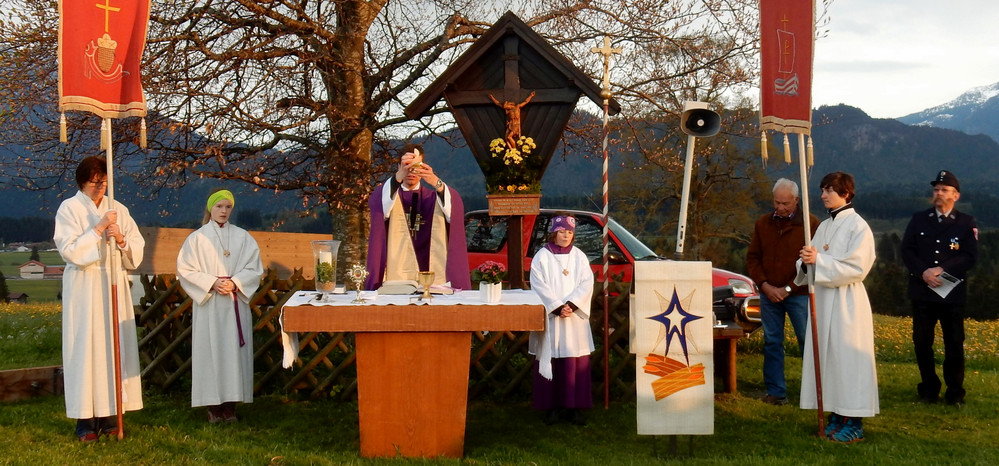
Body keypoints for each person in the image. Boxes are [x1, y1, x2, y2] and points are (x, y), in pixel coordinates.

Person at [54, 156, 145, 442]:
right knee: (85, 349)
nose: (100, 187)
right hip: (85, 285)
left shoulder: (118, 209)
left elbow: (136, 250)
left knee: (111, 347)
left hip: (112, 281)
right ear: (82, 182)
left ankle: (109, 414)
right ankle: (85, 419)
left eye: (104, 182)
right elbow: (69, 250)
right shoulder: (69, 209)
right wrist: (97, 229)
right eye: (95, 182)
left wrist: (121, 239)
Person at [795, 172, 878, 443]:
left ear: (846, 193)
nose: (823, 195)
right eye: (821, 190)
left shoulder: (858, 227)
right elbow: (811, 261)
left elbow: (857, 268)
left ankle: (853, 419)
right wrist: (806, 261)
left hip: (847, 304)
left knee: (848, 361)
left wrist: (819, 260)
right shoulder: (823, 227)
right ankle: (835, 413)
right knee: (828, 359)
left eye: (829, 190)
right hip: (823, 300)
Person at [177, 189, 263, 423]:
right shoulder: (197, 238)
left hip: (234, 302)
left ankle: (231, 405)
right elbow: (185, 270)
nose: (224, 211)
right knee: (211, 353)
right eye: (219, 207)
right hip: (211, 306)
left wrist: (235, 283)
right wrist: (212, 282)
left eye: (228, 207)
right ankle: (214, 406)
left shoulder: (243, 237)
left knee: (234, 354)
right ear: (210, 209)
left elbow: (254, 268)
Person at [900, 170, 977, 405]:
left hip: (951, 293)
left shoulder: (965, 223)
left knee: (953, 342)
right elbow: (907, 250)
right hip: (923, 291)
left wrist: (941, 269)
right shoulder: (919, 219)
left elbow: (969, 256)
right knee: (922, 342)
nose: (938, 194)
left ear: (956, 196)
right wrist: (923, 271)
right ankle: (929, 388)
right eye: (936, 189)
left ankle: (955, 392)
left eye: (944, 190)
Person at [746, 178, 819, 406]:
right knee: (772, 341)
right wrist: (765, 286)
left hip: (799, 295)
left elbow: (812, 265)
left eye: (785, 203)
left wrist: (788, 289)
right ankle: (776, 392)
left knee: (807, 341)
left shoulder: (811, 225)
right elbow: (753, 258)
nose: (780, 207)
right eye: (777, 202)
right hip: (769, 295)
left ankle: (815, 392)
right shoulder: (762, 224)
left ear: (796, 201)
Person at [365, 144, 470, 290]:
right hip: (395, 274)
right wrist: (397, 178)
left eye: (416, 167)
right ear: (399, 167)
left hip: (434, 273)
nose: (412, 172)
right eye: (407, 166)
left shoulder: (436, 197)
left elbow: (454, 209)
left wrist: (435, 182)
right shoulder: (389, 195)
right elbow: (378, 205)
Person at [529, 214, 595, 426]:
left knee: (574, 361)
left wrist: (573, 304)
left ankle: (574, 408)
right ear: (554, 233)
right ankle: (552, 407)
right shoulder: (542, 257)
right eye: (561, 231)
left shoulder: (579, 257)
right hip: (552, 317)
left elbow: (587, 283)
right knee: (552, 359)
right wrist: (556, 306)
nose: (565, 235)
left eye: (569, 232)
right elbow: (538, 284)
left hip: (574, 319)